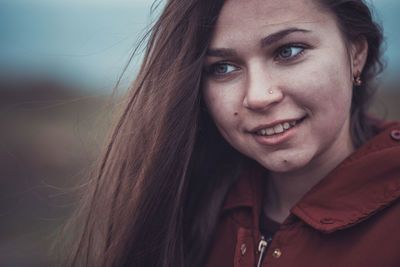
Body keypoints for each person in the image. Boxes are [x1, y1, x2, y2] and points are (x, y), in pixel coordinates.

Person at [61, 0, 400, 266]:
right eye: (222, 68)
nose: (257, 96)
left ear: (356, 53)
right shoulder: (182, 210)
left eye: (288, 51)